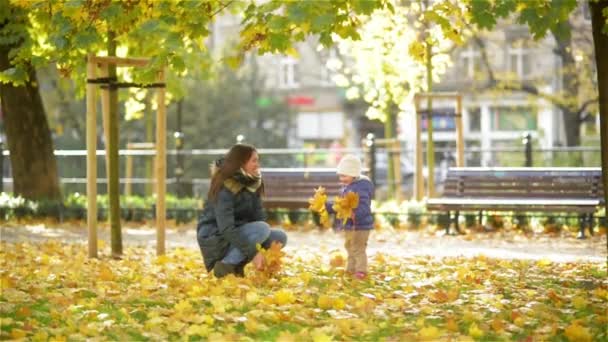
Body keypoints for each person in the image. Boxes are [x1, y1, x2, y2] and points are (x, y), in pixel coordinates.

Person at [196, 144, 287, 278]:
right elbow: (226, 229)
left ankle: (240, 266)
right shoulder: (225, 186)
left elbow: (258, 217)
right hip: (215, 238)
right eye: (254, 161)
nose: (258, 165)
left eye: (258, 160)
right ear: (241, 163)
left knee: (278, 237)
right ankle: (226, 265)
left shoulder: (252, 183)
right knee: (262, 229)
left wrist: (262, 251)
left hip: (236, 232)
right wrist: (254, 253)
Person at [325, 154, 374, 279]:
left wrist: (355, 214)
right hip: (349, 225)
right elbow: (341, 205)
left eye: (344, 176)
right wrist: (329, 206)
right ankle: (351, 269)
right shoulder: (347, 187)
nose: (341, 179)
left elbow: (364, 206)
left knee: (358, 248)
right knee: (349, 247)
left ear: (354, 174)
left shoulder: (361, 188)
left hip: (360, 225)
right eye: (340, 176)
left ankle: (361, 271)